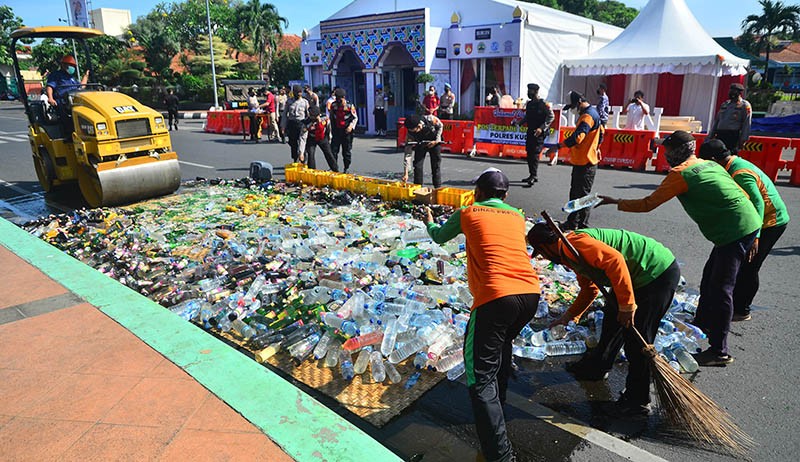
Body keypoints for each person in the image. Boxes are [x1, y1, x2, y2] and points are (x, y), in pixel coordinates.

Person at [597, 131, 761, 366]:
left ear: (676, 152)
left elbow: (648, 204)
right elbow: (739, 192)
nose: (664, 154)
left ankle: (719, 351)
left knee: (721, 289)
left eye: (667, 150)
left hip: (734, 232)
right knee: (710, 279)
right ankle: (703, 325)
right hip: (745, 223)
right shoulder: (707, 164)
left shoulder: (680, 174)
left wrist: (615, 202)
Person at [424, 167, 540, 462]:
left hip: (495, 297)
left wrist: (429, 221)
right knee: (502, 345)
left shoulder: (468, 212)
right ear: (506, 195)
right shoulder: (517, 216)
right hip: (530, 295)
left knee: (479, 378)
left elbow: (438, 237)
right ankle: (499, 404)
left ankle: (500, 456)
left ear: (477, 193)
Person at [527, 224, 681, 417]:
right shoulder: (569, 253)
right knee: (611, 322)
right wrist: (567, 317)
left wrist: (627, 306)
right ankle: (597, 368)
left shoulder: (574, 244)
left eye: (541, 253)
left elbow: (615, 260)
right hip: (632, 274)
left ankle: (637, 401)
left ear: (545, 246)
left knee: (637, 340)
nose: (544, 257)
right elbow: (589, 289)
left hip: (655, 272)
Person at [698, 139, 790, 322]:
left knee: (749, 266)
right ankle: (724, 305)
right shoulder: (729, 166)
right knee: (731, 264)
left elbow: (758, 204)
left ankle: (742, 309)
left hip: (769, 223)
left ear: (714, 159)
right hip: (750, 222)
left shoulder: (739, 172)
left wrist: (755, 237)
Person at [545, 91, 603, 230]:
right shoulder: (592, 113)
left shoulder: (587, 116)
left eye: (572, 107)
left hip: (586, 162)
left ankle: (583, 227)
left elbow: (578, 138)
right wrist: (596, 147)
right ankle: (572, 222)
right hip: (584, 160)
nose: (572, 110)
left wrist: (557, 146)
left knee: (582, 196)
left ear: (579, 102)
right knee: (576, 194)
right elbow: (601, 133)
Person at [519, 83, 554, 187]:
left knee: (535, 153)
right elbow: (527, 117)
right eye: (528, 91)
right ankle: (531, 174)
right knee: (529, 153)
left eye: (530, 91)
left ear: (536, 92)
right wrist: (520, 123)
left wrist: (542, 128)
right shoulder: (529, 104)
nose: (528, 93)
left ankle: (534, 176)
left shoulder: (543, 104)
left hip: (539, 133)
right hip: (530, 131)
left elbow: (551, 116)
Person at [707, 83, 752, 154]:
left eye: (734, 91)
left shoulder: (744, 105)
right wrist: (711, 135)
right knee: (717, 155)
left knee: (729, 156)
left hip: (732, 135)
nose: (731, 92)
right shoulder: (725, 104)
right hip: (720, 134)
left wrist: (743, 139)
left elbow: (746, 123)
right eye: (730, 90)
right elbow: (717, 121)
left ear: (739, 93)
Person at [403, 114, 443, 188]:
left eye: (414, 131)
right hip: (420, 143)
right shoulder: (410, 134)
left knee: (436, 165)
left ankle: (437, 187)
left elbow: (440, 126)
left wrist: (437, 140)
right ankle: (418, 187)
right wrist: (406, 173)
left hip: (434, 141)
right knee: (417, 165)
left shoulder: (430, 119)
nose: (413, 133)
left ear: (419, 126)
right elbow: (407, 154)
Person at [329, 88, 358, 173]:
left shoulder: (349, 106)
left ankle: (346, 168)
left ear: (344, 97)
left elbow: (355, 118)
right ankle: (334, 168)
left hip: (347, 131)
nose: (338, 100)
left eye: (340, 98)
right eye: (337, 98)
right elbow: (331, 118)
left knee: (346, 151)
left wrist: (351, 127)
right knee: (333, 150)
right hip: (336, 131)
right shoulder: (333, 105)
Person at [302, 105, 338, 171]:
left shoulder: (325, 118)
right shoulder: (306, 121)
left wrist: (329, 138)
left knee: (329, 153)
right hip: (312, 138)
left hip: (322, 138)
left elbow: (329, 129)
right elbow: (302, 137)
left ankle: (335, 170)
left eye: (312, 115)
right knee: (311, 154)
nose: (310, 116)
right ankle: (312, 171)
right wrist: (301, 152)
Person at [281, 85, 310, 162]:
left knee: (302, 141)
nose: (299, 94)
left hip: (301, 123)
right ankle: (295, 158)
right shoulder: (289, 101)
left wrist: (308, 125)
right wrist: (283, 126)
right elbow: (285, 114)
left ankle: (303, 157)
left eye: (300, 92)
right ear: (293, 93)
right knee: (292, 142)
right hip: (292, 123)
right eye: (297, 92)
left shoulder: (305, 102)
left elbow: (308, 115)